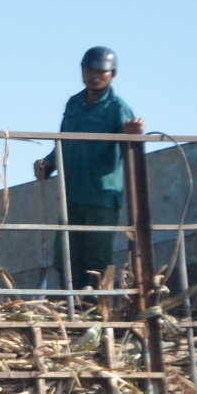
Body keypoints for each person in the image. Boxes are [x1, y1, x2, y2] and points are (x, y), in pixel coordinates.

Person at [33, 46, 144, 291]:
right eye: (89, 70)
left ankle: (92, 312)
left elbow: (132, 148)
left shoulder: (118, 108)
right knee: (66, 256)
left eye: (100, 71)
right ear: (82, 71)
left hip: (101, 196)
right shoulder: (74, 104)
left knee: (96, 259)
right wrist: (48, 163)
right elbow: (63, 143)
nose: (94, 75)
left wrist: (132, 135)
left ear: (112, 74)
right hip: (71, 193)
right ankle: (69, 308)